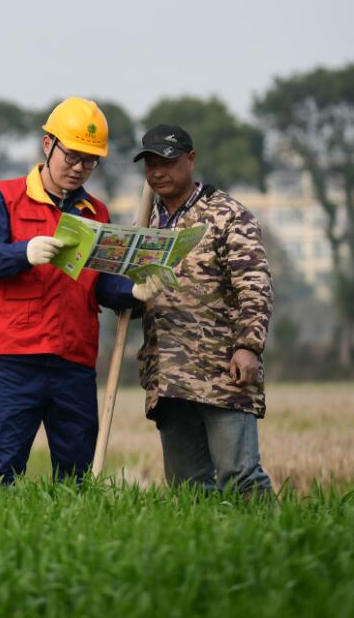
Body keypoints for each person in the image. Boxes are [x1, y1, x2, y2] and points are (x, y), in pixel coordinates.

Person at [0, 97, 141, 484]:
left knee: (76, 476)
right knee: (2, 472)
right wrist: (22, 253)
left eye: (89, 162)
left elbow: (101, 283)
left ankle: (74, 525)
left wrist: (135, 292)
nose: (79, 169)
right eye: (72, 156)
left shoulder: (97, 213)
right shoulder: (4, 198)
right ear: (48, 145)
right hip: (15, 358)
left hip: (74, 359)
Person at [132, 123, 273, 496]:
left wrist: (249, 346)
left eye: (167, 162)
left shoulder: (228, 214)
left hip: (222, 373)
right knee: (187, 488)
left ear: (190, 160)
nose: (158, 172)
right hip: (168, 376)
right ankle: (202, 536)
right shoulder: (145, 223)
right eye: (150, 164)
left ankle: (269, 532)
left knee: (240, 476)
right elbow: (130, 297)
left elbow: (255, 286)